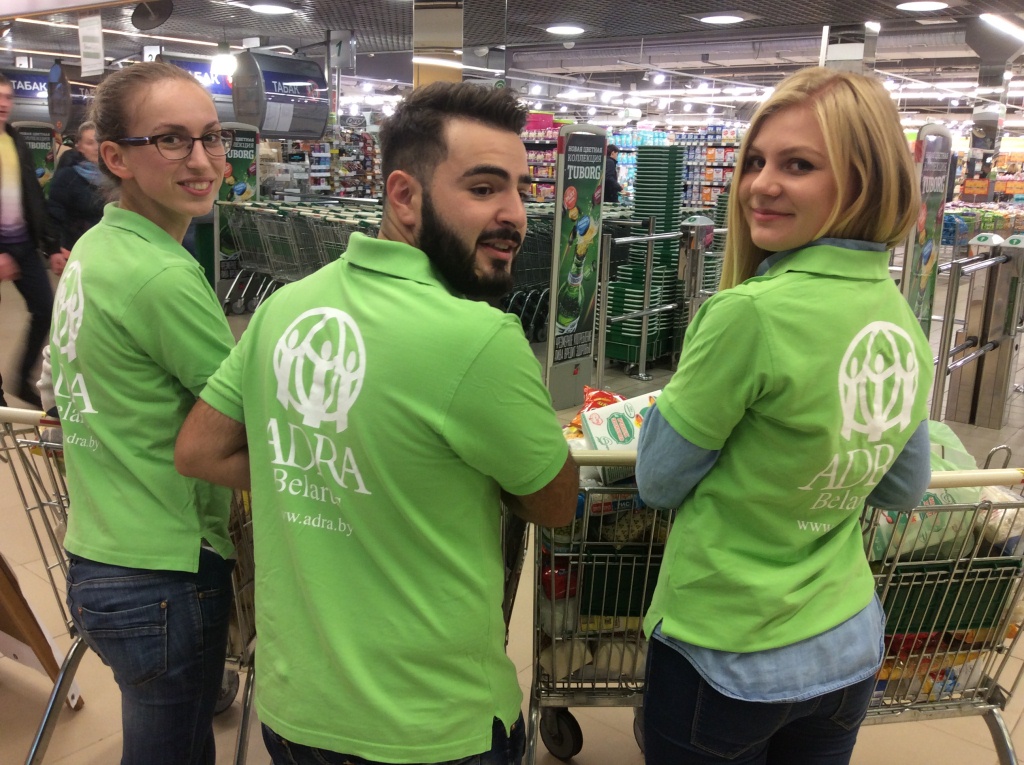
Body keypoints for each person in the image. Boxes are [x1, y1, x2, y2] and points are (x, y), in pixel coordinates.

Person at [175, 81, 578, 765]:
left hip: (295, 711)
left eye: (522, 188)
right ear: (404, 196)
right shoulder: (479, 338)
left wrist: (339, 472)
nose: (515, 213)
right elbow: (555, 502)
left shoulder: (284, 307)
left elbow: (200, 450)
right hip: (430, 726)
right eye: (484, 188)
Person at [635, 66, 933, 765]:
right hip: (846, 644)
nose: (760, 185)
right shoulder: (900, 318)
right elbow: (902, 487)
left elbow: (658, 478)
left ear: (863, 183)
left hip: (726, 652)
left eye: (798, 165)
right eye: (756, 161)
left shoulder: (747, 314)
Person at [49, 62, 237, 765]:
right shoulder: (160, 274)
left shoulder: (97, 247)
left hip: (100, 550)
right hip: (164, 569)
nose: (202, 160)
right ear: (115, 157)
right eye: (171, 140)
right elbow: (245, 417)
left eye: (211, 137)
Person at [0, 72, 67, 409]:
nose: (3, 103)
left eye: (7, 97)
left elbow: (33, 198)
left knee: (45, 309)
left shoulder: (15, 141)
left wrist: (51, 246)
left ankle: (22, 377)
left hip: (23, 244)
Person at [47, 120, 104, 250]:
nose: (96, 147)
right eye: (90, 143)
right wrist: (56, 248)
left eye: (99, 141)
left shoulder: (114, 177)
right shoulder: (67, 177)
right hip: (76, 247)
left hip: (106, 247)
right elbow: (54, 215)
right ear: (79, 146)